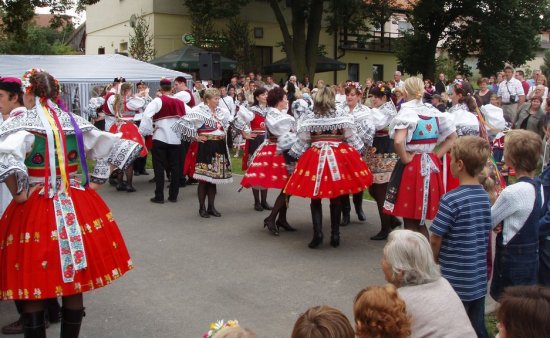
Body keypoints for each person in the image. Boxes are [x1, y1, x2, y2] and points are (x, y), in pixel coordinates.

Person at [0, 69, 140, 337]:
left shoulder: (21, 123)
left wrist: (19, 194)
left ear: (28, 93)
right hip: (76, 203)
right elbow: (114, 147)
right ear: (56, 93)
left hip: (35, 206)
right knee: (74, 279)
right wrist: (95, 183)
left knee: (32, 277)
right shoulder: (73, 120)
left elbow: (6, 158)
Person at [285, 86, 373, 248]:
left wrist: (292, 155)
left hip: (315, 157)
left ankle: (318, 234)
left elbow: (302, 142)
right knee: (336, 196)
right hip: (338, 156)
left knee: (315, 197)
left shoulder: (310, 117)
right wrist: (359, 153)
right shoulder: (342, 115)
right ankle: (335, 235)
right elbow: (352, 138)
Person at [429, 136, 492, 338]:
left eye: (451, 158)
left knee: (453, 326)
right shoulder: (483, 194)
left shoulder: (451, 199)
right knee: (477, 325)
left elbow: (436, 236)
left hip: (455, 278)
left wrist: (434, 258)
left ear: (459, 164)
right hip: (478, 276)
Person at [383, 77, 457, 238]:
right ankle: (425, 257)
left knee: (410, 220)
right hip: (430, 165)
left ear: (404, 92)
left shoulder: (408, 112)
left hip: (413, 166)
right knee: (420, 220)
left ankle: (416, 257)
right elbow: (453, 138)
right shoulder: (433, 112)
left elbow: (398, 141)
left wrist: (405, 158)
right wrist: (436, 155)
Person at [382, 230, 476, 337]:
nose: (381, 262)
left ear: (400, 271)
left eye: (385, 258)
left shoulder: (397, 300)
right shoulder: (443, 283)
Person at [490, 129, 543, 301]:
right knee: (525, 299)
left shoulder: (512, 192)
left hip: (512, 256)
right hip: (531, 253)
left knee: (509, 300)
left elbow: (490, 220)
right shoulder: (539, 187)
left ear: (510, 158)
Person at [240, 87, 297, 236]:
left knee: (288, 187)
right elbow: (284, 133)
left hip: (284, 149)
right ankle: (271, 218)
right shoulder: (274, 114)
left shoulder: (281, 114)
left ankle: (281, 219)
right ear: (279, 100)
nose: (287, 101)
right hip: (278, 150)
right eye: (285, 98)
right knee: (287, 187)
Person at [172, 88, 233, 218]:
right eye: (215, 99)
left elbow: (228, 124)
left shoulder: (221, 112)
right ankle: (202, 208)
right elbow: (181, 124)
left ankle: (211, 207)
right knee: (204, 179)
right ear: (207, 100)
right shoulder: (198, 111)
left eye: (218, 98)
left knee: (214, 179)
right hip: (206, 146)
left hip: (219, 145)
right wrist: (196, 137)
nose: (218, 101)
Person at [363, 84, 401, 240]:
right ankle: (391, 219)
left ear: (384, 98)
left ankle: (385, 227)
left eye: (376, 97)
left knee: (380, 190)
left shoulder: (386, 111)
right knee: (373, 188)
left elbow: (377, 124)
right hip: (377, 149)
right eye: (371, 97)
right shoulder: (382, 110)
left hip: (385, 149)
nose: (373, 100)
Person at [139, 78, 186, 203]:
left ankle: (159, 196)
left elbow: (146, 116)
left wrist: (149, 130)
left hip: (160, 137)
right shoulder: (180, 102)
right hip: (176, 139)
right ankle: (173, 195)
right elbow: (192, 115)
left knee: (159, 167)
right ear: (171, 89)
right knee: (176, 167)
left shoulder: (158, 101)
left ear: (160, 88)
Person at [339, 85, 375, 226]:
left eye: (353, 94)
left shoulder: (365, 110)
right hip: (342, 150)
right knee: (343, 180)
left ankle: (358, 207)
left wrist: (358, 141)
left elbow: (370, 130)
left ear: (359, 96)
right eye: (347, 94)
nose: (349, 97)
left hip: (359, 150)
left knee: (357, 179)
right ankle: (345, 212)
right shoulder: (340, 110)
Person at [233, 88, 271, 211]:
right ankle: (257, 202)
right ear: (257, 97)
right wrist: (245, 134)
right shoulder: (252, 110)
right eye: (263, 94)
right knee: (256, 169)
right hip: (256, 141)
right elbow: (237, 119)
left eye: (266, 94)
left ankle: (264, 201)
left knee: (265, 170)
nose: (266, 96)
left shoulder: (271, 110)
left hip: (268, 141)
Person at [109, 82, 147, 192]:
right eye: (130, 90)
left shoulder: (116, 100)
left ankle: (120, 183)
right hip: (128, 128)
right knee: (129, 158)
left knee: (120, 156)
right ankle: (129, 185)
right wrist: (136, 96)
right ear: (127, 91)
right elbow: (141, 103)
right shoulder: (130, 101)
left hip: (117, 127)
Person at [133, 80, 153, 177]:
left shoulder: (149, 97)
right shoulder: (135, 97)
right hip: (138, 120)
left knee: (145, 145)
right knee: (138, 144)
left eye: (143, 87)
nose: (142, 89)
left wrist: (145, 96)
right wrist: (141, 96)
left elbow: (149, 108)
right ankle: (136, 168)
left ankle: (142, 167)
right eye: (140, 88)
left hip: (146, 121)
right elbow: (141, 106)